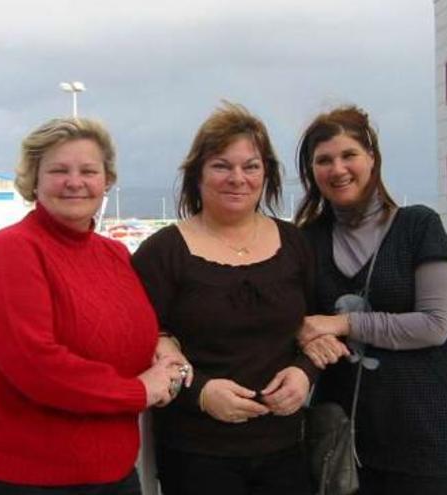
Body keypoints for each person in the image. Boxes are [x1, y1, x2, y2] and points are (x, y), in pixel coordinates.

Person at [0, 117, 188, 495]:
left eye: (88, 171)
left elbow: (133, 330)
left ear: (106, 180)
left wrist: (162, 348)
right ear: (34, 181)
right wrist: (138, 393)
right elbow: (35, 364)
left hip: (111, 469)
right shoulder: (11, 249)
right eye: (59, 170)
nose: (74, 181)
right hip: (22, 475)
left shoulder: (114, 254)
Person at [132, 102, 319, 495]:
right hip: (196, 453)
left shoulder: (296, 244)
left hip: (287, 448)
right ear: (197, 174)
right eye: (221, 165)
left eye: (251, 166)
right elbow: (137, 340)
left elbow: (318, 326)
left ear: (266, 174)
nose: (238, 178)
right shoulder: (162, 252)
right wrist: (199, 391)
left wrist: (305, 372)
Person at [294, 105, 447, 495]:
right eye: (323, 160)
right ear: (312, 172)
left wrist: (343, 324)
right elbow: (294, 318)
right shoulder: (307, 241)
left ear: (372, 159)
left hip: (430, 438)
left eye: (348, 155)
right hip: (345, 444)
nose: (337, 168)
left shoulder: (419, 226)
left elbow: (435, 324)